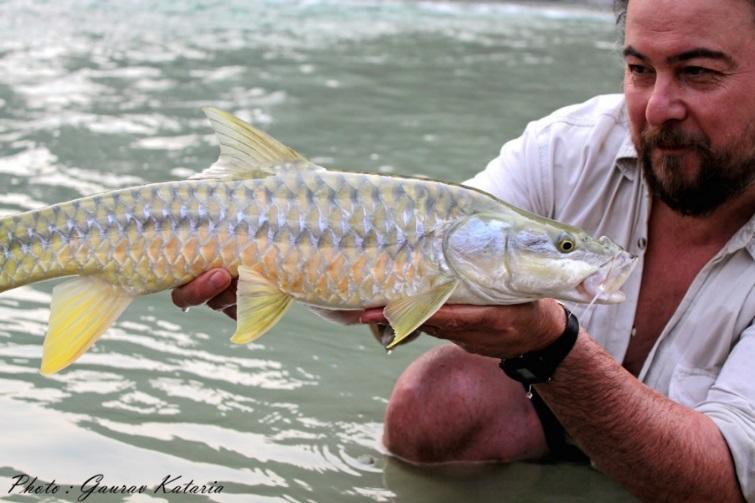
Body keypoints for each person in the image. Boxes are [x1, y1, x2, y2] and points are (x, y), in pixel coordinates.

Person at [171, 0, 755, 500]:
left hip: (708, 467)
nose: (657, 108)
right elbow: (418, 247)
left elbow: (725, 484)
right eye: (638, 69)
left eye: (698, 73)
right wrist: (287, 267)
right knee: (438, 400)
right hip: (556, 416)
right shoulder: (566, 146)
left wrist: (550, 349)